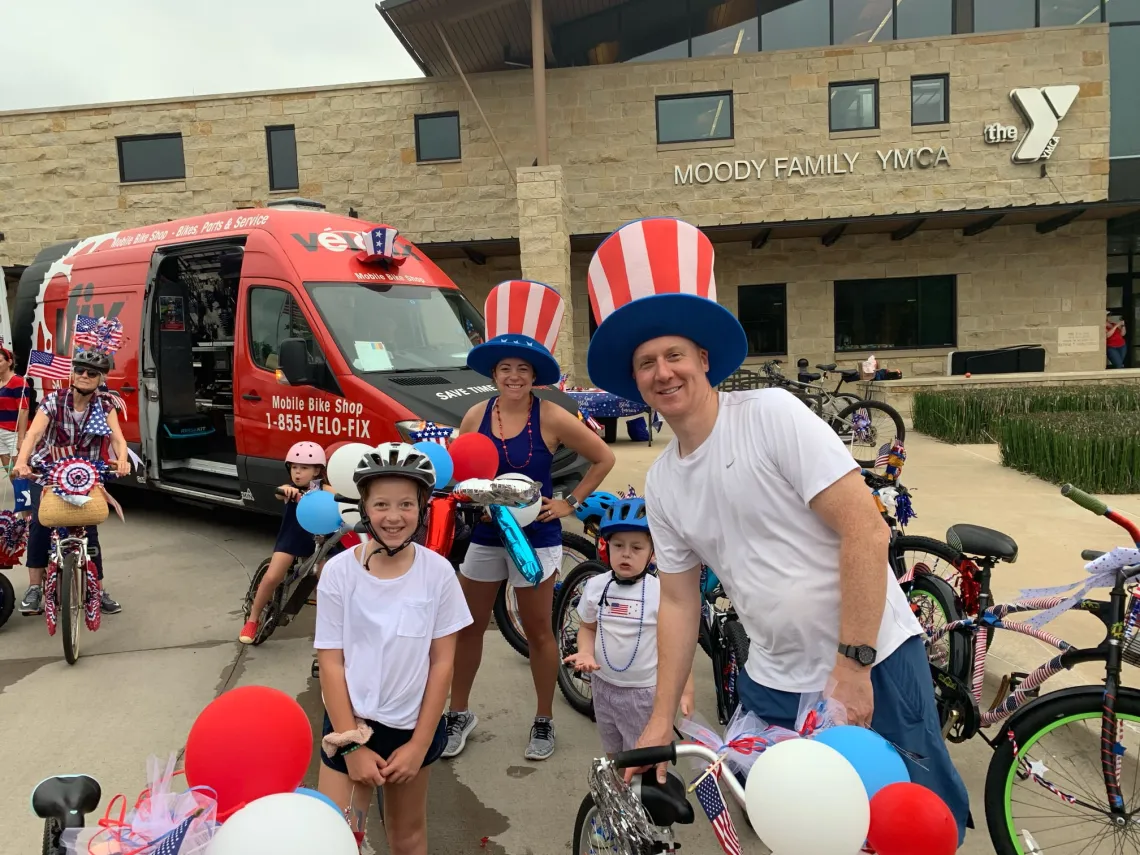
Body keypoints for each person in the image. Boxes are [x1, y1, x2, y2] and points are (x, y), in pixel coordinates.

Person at [584, 217, 970, 844]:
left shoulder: (771, 417)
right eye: (646, 363)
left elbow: (866, 533)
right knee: (792, 829)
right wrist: (659, 719)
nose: (664, 372)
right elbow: (679, 603)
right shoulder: (661, 483)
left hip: (871, 658)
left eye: (674, 354)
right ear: (637, 383)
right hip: (771, 678)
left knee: (904, 828)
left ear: (703, 359)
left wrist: (852, 666)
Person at [443, 279, 615, 762]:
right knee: (468, 628)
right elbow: (464, 471)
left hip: (536, 537)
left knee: (539, 630)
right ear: (494, 373)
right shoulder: (476, 414)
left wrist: (569, 504)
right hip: (486, 534)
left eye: (522, 368)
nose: (513, 375)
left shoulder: (553, 417)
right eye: (505, 368)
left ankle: (544, 719)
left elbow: (602, 458)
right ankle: (460, 712)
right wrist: (467, 492)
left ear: (534, 375)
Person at [314, 443, 472, 855]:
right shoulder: (338, 573)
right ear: (364, 507)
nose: (394, 516)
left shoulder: (437, 574)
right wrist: (350, 744)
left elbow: (442, 663)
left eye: (406, 504)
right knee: (339, 835)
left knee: (407, 835)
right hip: (350, 721)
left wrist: (419, 745)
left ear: (422, 507)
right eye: (381, 504)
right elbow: (331, 661)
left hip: (412, 725)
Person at [564, 496, 694, 756]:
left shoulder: (661, 592)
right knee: (613, 755)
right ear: (606, 546)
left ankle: (644, 795)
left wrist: (685, 689)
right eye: (618, 545)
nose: (626, 553)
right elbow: (588, 627)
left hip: (643, 694)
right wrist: (587, 652)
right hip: (602, 688)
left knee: (643, 757)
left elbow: (678, 645)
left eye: (636, 547)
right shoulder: (596, 586)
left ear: (652, 553)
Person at [14, 349, 131, 616]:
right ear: (72, 373)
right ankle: (34, 588)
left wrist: (122, 459)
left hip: (87, 474)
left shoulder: (104, 405)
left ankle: (97, 590)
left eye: (92, 373)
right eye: (80, 370)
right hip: (48, 472)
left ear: (101, 379)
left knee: (89, 531)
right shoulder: (53, 401)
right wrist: (23, 462)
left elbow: (118, 439)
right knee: (41, 525)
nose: (85, 376)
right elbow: (33, 435)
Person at [240, 440, 336, 643]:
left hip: (323, 539)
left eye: (304, 468)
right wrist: (287, 491)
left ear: (318, 470)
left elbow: (341, 498)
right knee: (273, 576)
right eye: (294, 467)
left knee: (328, 581)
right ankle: (253, 619)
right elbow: (279, 491)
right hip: (293, 538)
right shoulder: (290, 489)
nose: (297, 473)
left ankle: (331, 629)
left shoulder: (326, 489)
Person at [0, 346, 29, 476]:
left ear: (9, 362)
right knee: (10, 472)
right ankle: (18, 495)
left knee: (20, 473)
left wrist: (21, 439)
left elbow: (24, 410)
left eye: (0, 361)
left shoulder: (18, 381)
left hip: (13, 432)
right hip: (1, 432)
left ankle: (25, 496)